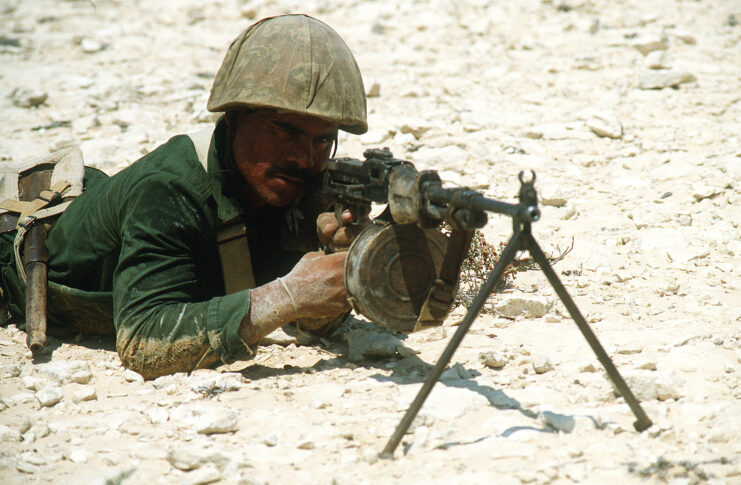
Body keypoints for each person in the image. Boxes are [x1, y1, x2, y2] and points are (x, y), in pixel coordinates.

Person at [0, 14, 368, 379]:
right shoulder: (167, 192)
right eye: (285, 131)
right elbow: (142, 342)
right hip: (26, 253)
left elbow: (312, 323)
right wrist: (289, 296)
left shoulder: (280, 183)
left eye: (322, 139)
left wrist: (335, 258)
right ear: (234, 118)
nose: (304, 159)